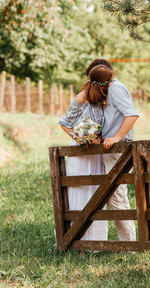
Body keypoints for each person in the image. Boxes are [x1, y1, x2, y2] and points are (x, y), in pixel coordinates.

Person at [58, 64, 114, 241]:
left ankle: (95, 240)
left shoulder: (104, 97)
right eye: (109, 81)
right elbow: (64, 123)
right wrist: (81, 139)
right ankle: (76, 239)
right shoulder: (82, 97)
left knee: (95, 192)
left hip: (97, 154)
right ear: (101, 83)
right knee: (79, 191)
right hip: (81, 151)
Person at [86, 58, 139, 241]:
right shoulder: (110, 89)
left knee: (116, 195)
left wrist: (116, 137)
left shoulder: (115, 88)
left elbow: (131, 115)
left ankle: (129, 244)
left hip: (117, 146)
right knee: (115, 195)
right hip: (109, 146)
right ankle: (129, 241)